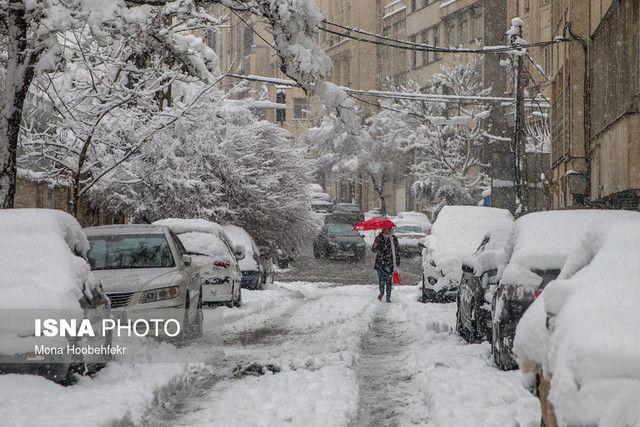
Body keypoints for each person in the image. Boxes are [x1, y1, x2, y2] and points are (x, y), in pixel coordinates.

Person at [372, 227, 400, 303]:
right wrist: (375, 245)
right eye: (384, 229)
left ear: (390, 230)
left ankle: (388, 296)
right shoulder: (379, 238)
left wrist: (397, 261)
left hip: (390, 263)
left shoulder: (393, 238)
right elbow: (373, 250)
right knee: (381, 280)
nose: (386, 231)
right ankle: (381, 293)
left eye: (387, 229)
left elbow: (397, 250)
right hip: (380, 263)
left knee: (389, 281)